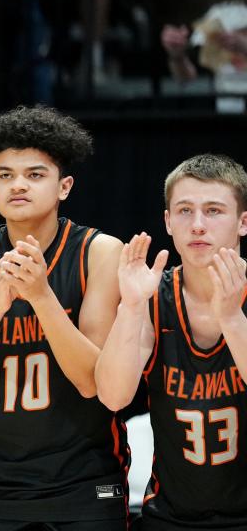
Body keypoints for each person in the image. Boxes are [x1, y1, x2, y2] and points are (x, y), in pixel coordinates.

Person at [0, 105, 129, 530]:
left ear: (65, 186)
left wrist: (41, 297)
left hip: (83, 482)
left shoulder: (100, 252)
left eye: (35, 174)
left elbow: (92, 381)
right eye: (5, 174)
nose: (18, 184)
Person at [95, 153, 247, 530]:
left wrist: (231, 317)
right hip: (169, 518)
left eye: (213, 211)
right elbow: (113, 396)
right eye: (184, 211)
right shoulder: (151, 296)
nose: (197, 225)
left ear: (243, 222)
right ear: (167, 221)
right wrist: (130, 306)